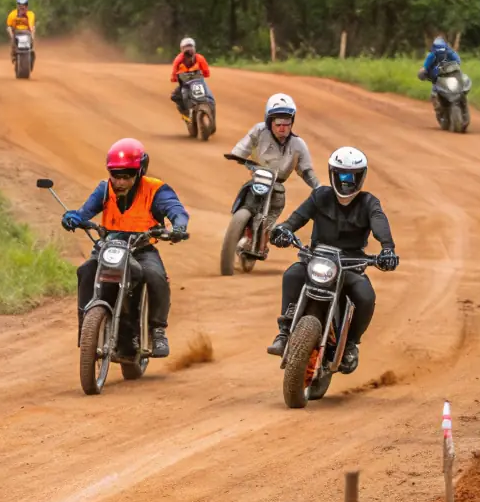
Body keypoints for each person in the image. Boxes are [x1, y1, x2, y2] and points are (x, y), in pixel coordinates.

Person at [269, 146, 399, 371]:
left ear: (361, 176)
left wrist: (387, 249)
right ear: (332, 173)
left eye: (351, 176)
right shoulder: (321, 196)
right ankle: (284, 331)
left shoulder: (369, 203)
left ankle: (349, 344)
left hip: (351, 265)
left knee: (365, 296)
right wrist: (284, 229)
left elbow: (379, 222)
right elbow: (298, 217)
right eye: (340, 174)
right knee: (292, 275)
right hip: (316, 259)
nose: (345, 181)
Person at [61, 137, 189, 358]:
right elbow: (84, 212)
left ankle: (157, 330)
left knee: (156, 276)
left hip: (141, 249)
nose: (119, 181)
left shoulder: (156, 189)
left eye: (126, 176)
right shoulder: (104, 189)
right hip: (109, 247)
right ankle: (86, 327)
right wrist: (73, 217)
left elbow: (176, 210)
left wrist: (178, 226)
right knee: (86, 270)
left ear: (139, 172)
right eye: (115, 175)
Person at [228, 93, 320, 225]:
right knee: (245, 192)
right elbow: (244, 146)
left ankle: (264, 239)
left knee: (272, 214)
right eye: (278, 123)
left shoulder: (298, 144)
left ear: (292, 122)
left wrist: (318, 187)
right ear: (269, 121)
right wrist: (236, 155)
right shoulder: (259, 130)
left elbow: (306, 170)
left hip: (277, 185)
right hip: (258, 177)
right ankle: (237, 217)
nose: (282, 127)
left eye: (287, 123)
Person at [169, 37, 212, 120]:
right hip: (185, 84)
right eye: (186, 47)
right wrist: (174, 77)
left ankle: (211, 112)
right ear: (182, 49)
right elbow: (174, 72)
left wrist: (205, 73)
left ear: (194, 48)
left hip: (199, 82)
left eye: (190, 46)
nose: (189, 49)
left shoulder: (199, 58)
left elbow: (206, 71)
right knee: (175, 96)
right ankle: (185, 112)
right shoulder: (178, 59)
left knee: (210, 97)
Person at [7, 0, 36, 66]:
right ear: (17, 5)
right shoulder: (12, 14)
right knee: (12, 39)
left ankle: (31, 54)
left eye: (24, 5)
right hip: (16, 33)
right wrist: (12, 35)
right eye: (20, 5)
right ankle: (13, 54)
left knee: (32, 46)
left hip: (27, 33)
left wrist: (32, 36)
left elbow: (31, 26)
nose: (22, 7)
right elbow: (9, 26)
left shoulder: (30, 14)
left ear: (27, 5)